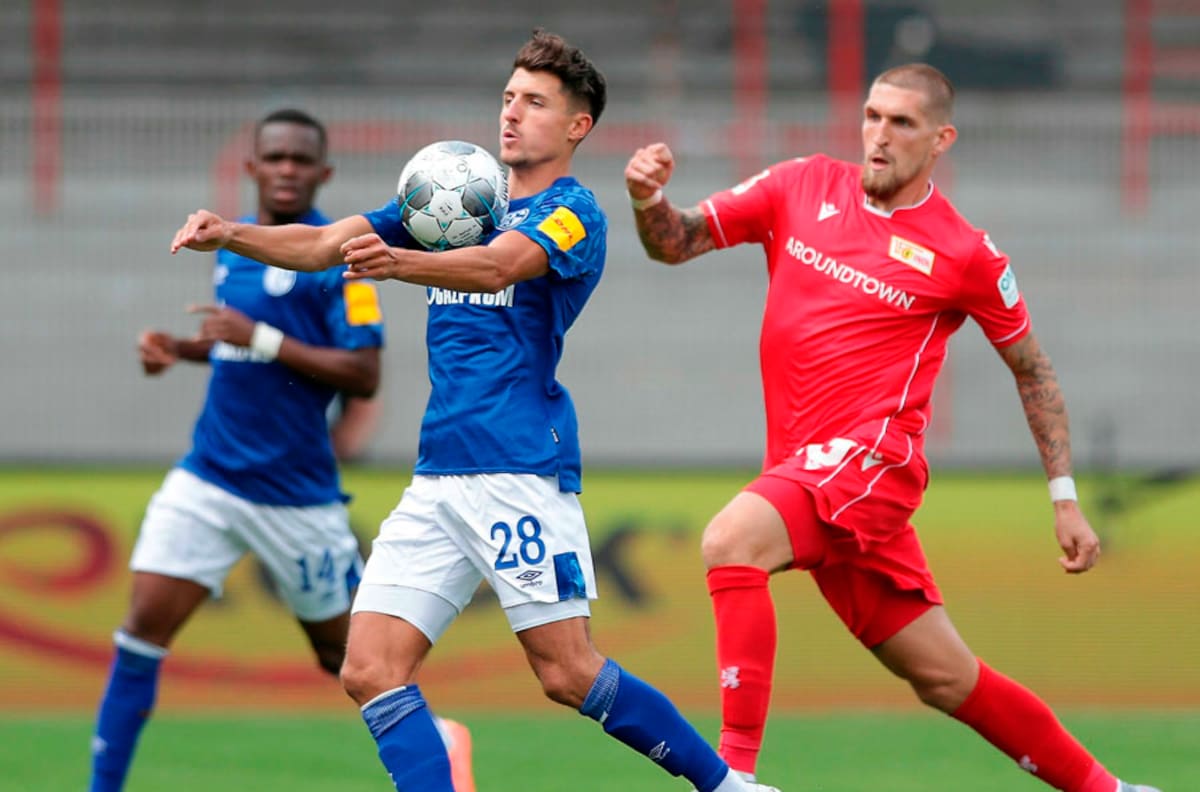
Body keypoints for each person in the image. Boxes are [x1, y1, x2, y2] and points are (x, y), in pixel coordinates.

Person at [170, 30, 776, 792]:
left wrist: (401, 262)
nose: (512, 114)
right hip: (440, 474)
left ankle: (727, 787)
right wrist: (232, 232)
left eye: (534, 102)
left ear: (576, 126)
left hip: (518, 467)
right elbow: (326, 243)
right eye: (508, 98)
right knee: (369, 666)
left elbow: (499, 266)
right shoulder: (455, 194)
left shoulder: (572, 212)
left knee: (566, 672)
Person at [624, 64, 1160, 792]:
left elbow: (1033, 370)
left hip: (871, 466)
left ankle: (735, 777)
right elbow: (677, 241)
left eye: (901, 123)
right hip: (807, 472)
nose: (879, 135)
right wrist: (646, 197)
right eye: (873, 116)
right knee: (945, 678)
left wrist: (1064, 497)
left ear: (941, 140)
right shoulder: (801, 184)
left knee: (729, 542)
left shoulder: (965, 252)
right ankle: (1113, 791)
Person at [89, 108, 474, 792]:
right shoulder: (235, 249)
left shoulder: (339, 257)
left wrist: (259, 337)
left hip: (298, 497)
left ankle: (440, 744)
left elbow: (364, 373)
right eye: (276, 158)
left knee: (350, 661)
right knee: (141, 630)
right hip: (209, 477)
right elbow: (241, 345)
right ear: (252, 169)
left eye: (302, 160)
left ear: (323, 172)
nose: (288, 170)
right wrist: (179, 351)